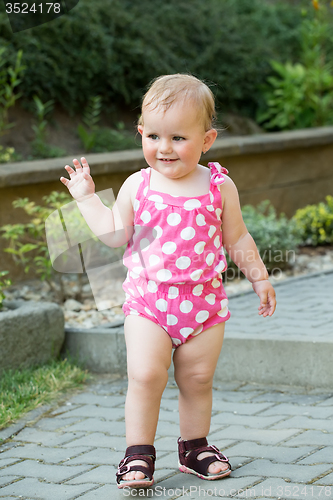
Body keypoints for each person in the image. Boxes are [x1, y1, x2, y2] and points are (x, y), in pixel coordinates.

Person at [60, 73, 276, 489]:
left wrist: (259, 276)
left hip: (204, 305)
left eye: (178, 138)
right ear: (141, 133)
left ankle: (195, 447)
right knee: (145, 375)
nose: (164, 148)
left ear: (207, 140)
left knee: (197, 379)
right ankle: (137, 454)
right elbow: (113, 235)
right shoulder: (137, 186)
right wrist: (88, 199)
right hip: (149, 303)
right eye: (154, 136)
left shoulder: (219, 186)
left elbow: (237, 237)